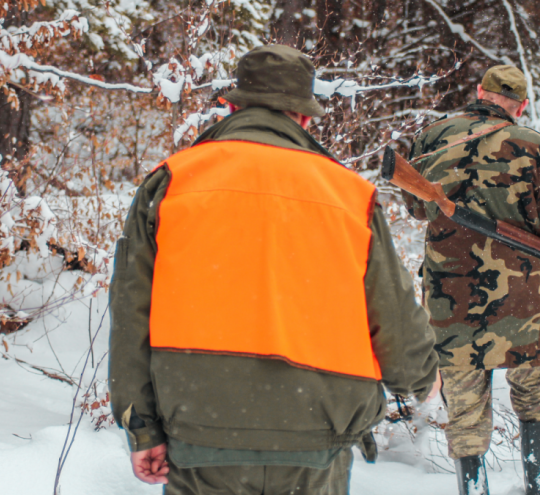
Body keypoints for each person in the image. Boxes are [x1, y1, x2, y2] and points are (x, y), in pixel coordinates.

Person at [108, 44, 440, 495]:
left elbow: (132, 313)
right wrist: (423, 378)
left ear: (231, 105)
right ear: (303, 117)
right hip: (316, 434)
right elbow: (392, 313)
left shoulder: (171, 182)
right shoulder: (349, 196)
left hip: (202, 428)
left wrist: (142, 427)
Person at [403, 65, 540, 495]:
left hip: (450, 295)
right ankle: (539, 485)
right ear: (522, 105)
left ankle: (474, 488)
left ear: (479, 91)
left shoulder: (433, 137)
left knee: (464, 400)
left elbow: (415, 209)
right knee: (534, 388)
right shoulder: (536, 146)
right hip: (525, 293)